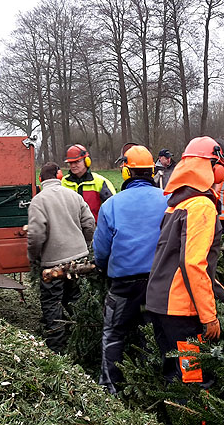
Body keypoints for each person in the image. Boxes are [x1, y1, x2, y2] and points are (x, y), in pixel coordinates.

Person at [146, 136, 224, 386]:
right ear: (210, 166)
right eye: (219, 164)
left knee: (173, 376)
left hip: (160, 305)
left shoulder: (177, 204)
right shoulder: (201, 206)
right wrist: (209, 316)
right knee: (193, 380)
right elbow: (193, 263)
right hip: (181, 311)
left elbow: (174, 257)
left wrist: (218, 290)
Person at [93, 145, 168, 394]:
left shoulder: (111, 205)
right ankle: (152, 386)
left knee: (114, 333)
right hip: (159, 285)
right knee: (153, 333)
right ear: (151, 171)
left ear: (126, 172)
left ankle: (109, 388)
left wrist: (103, 269)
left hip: (124, 286)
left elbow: (101, 251)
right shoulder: (168, 200)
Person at [27, 162, 96, 353]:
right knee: (77, 301)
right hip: (80, 261)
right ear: (59, 177)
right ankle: (84, 343)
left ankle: (57, 349)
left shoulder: (38, 201)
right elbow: (89, 224)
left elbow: (35, 235)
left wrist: (34, 258)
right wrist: (85, 245)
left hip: (52, 264)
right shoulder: (74, 196)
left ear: (40, 180)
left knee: (52, 303)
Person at [62, 144, 116, 221]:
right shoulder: (63, 183)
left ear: (87, 161)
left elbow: (113, 208)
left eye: (77, 162)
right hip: (71, 230)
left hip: (95, 230)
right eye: (71, 163)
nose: (73, 165)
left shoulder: (100, 181)